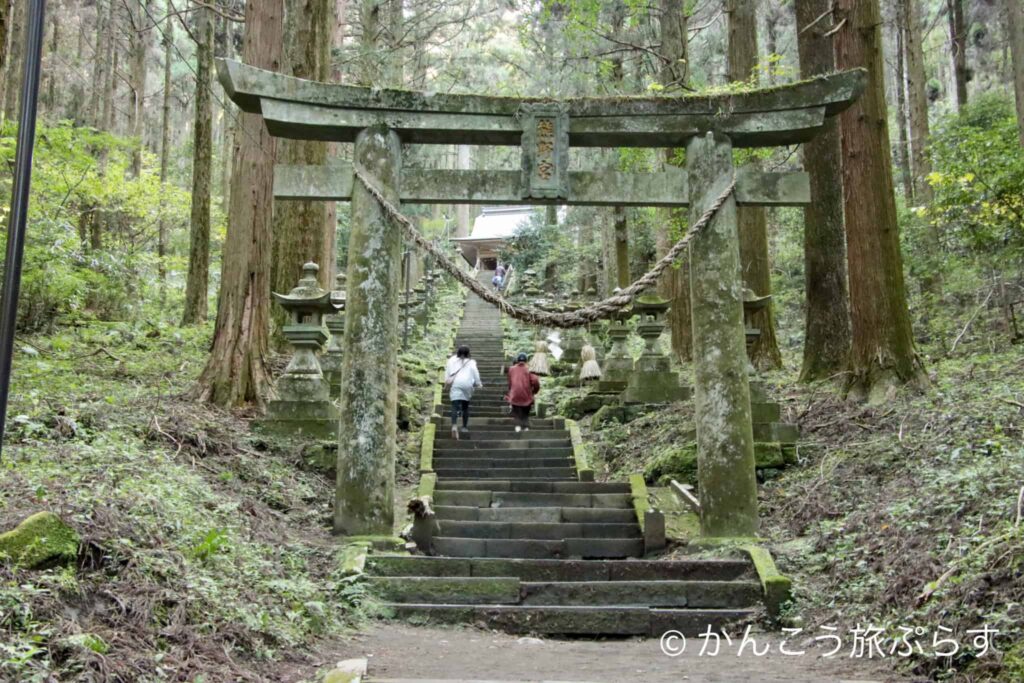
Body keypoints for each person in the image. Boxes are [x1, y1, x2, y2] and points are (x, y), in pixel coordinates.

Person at [445, 345, 482, 440]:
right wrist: (478, 383)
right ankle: (464, 427)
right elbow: (475, 373)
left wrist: (446, 383)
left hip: (456, 383)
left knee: (454, 406)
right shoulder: (472, 362)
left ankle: (454, 425)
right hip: (467, 384)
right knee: (465, 407)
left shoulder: (452, 360)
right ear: (468, 353)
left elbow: (448, 372)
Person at [506, 352, 540, 432]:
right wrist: (535, 391)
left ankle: (517, 426)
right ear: (526, 360)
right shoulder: (530, 369)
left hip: (514, 394)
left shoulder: (511, 369)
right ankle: (525, 427)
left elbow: (510, 382)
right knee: (525, 411)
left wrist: (511, 391)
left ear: (517, 360)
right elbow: (535, 381)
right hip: (526, 394)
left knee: (516, 410)